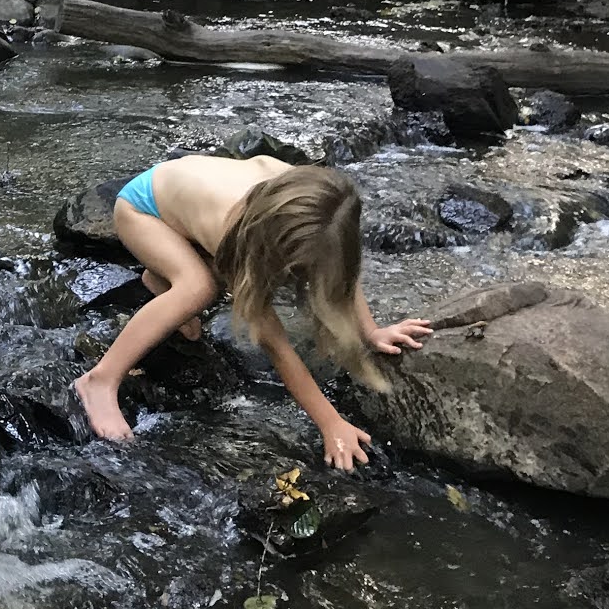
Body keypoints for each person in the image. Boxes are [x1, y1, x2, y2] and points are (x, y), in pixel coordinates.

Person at [69, 155, 433, 470]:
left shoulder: (315, 200)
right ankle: (100, 380)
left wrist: (370, 331)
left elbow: (343, 273)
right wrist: (330, 423)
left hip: (183, 208)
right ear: (267, 242)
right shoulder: (232, 229)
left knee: (197, 288)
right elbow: (276, 346)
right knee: (199, 289)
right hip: (141, 209)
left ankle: (163, 275)